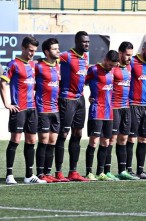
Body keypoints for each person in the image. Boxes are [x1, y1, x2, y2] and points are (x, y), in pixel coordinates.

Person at [0, 36, 46, 184]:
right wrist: (7, 104)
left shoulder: (33, 65)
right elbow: (2, 84)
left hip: (32, 109)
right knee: (16, 140)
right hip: (19, 108)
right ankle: (9, 175)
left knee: (32, 140)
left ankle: (29, 175)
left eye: (34, 51)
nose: (32, 53)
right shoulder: (13, 64)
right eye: (30, 50)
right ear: (24, 48)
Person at [99, 41, 139, 180]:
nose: (129, 58)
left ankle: (123, 171)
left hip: (126, 108)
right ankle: (107, 170)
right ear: (120, 53)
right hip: (114, 108)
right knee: (112, 140)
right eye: (127, 55)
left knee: (123, 139)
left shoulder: (130, 66)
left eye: (131, 55)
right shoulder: (112, 69)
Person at [54, 31, 90, 182]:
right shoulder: (66, 56)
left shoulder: (86, 57)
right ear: (76, 42)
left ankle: (73, 171)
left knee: (78, 134)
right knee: (63, 134)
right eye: (83, 42)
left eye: (88, 42)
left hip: (80, 99)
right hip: (67, 99)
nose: (87, 44)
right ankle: (58, 172)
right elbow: (51, 60)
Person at [84, 50, 119, 181]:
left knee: (105, 142)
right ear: (105, 59)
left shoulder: (113, 71)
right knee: (94, 141)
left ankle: (100, 172)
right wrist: (88, 97)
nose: (111, 68)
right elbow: (82, 83)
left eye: (114, 66)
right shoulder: (93, 70)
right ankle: (89, 172)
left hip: (109, 113)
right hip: (96, 111)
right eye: (110, 65)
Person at [126, 40, 146, 179]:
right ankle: (128, 169)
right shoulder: (132, 62)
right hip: (133, 104)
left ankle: (141, 170)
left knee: (143, 139)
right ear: (143, 49)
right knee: (132, 138)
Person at [34, 38, 62, 183]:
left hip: (55, 109)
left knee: (52, 141)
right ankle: (40, 173)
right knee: (43, 140)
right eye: (54, 49)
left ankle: (48, 172)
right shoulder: (38, 66)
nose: (58, 51)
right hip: (42, 109)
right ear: (46, 52)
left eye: (58, 48)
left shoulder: (58, 65)